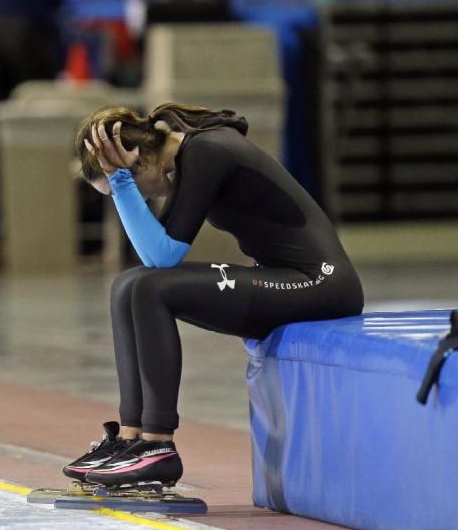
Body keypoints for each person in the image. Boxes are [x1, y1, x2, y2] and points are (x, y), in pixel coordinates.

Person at [65, 104, 364, 487]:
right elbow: (154, 257)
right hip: (285, 276)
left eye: (129, 186)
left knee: (149, 289)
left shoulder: (207, 151)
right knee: (127, 285)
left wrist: (121, 184)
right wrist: (124, 180)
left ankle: (157, 445)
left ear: (140, 164)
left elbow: (162, 256)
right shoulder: (189, 157)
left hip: (321, 283)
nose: (132, 201)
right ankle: (130, 438)